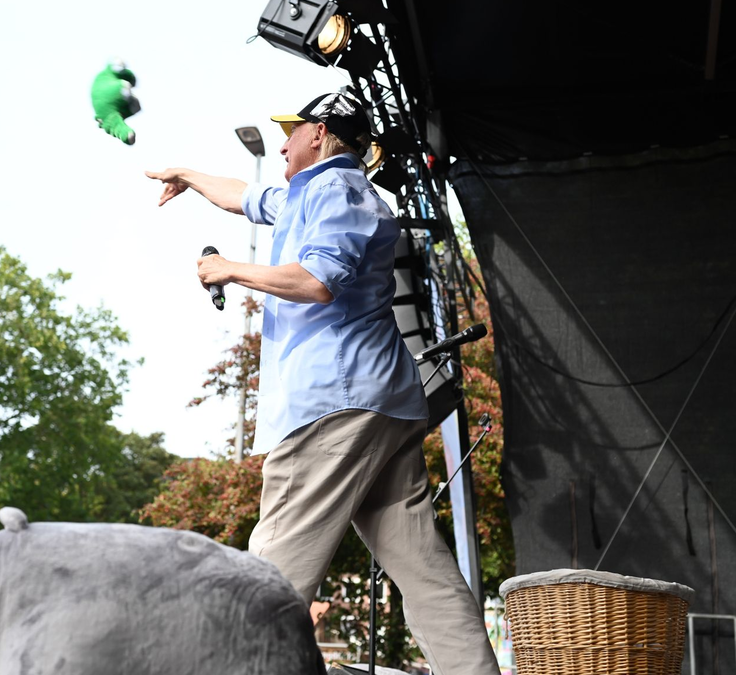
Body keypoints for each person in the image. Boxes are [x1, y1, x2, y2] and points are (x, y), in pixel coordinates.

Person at [146, 92, 498, 674]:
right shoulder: (312, 195)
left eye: (291, 132)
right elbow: (241, 194)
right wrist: (186, 174)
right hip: (378, 403)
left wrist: (230, 269)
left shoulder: (337, 192)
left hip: (334, 406)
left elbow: (318, 280)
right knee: (425, 574)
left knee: (268, 576)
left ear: (321, 134)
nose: (282, 143)